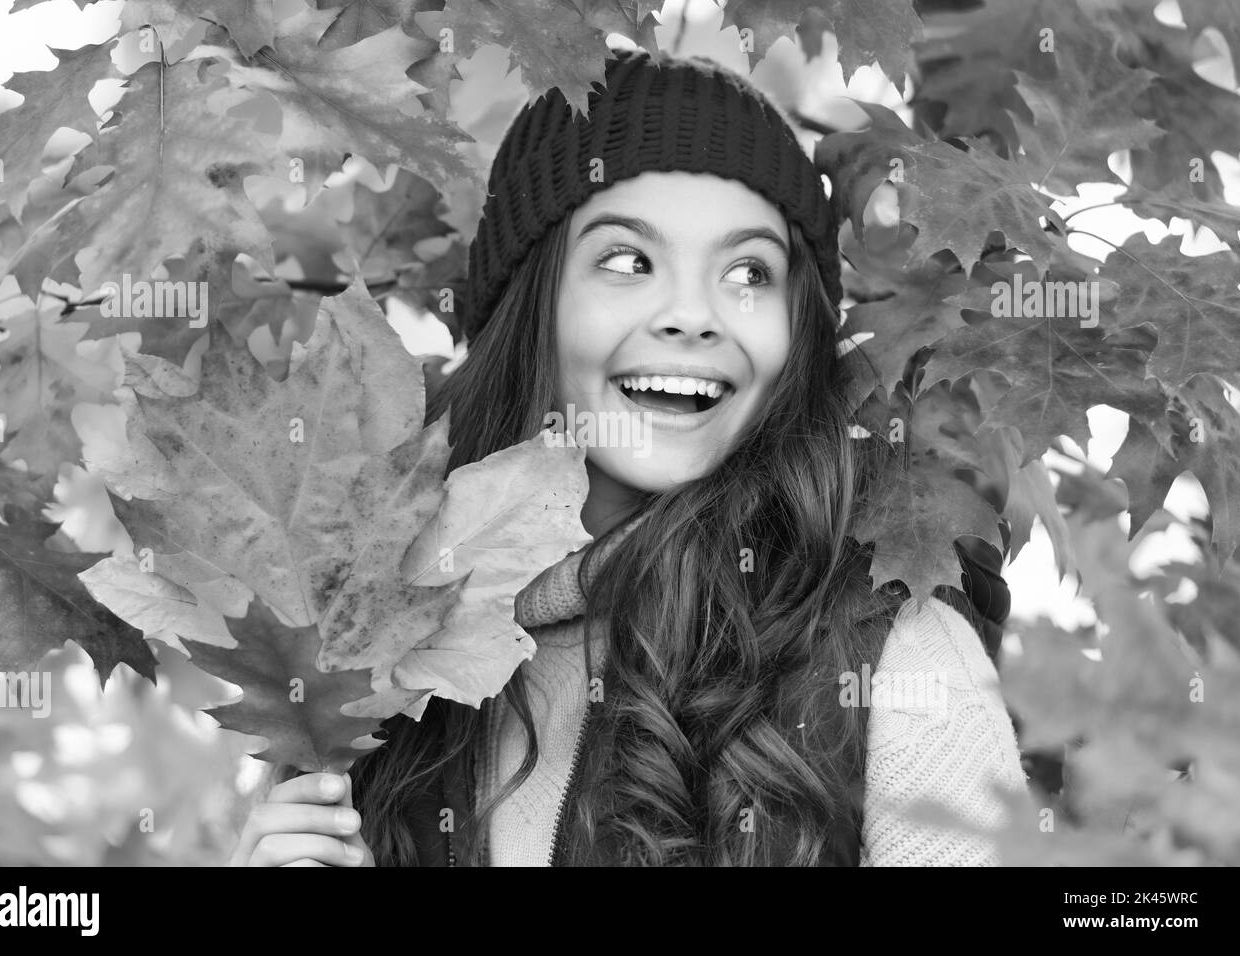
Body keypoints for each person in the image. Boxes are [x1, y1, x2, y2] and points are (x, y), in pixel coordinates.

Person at [229, 46, 1029, 867]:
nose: (692, 313)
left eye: (749, 271)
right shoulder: (362, 660)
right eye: (627, 260)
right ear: (531, 304)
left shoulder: (890, 653)